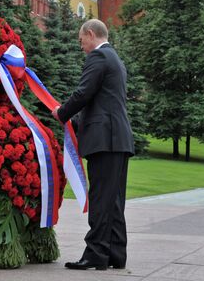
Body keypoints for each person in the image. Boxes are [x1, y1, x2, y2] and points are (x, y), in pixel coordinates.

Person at [52, 19, 134, 270]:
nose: (81, 46)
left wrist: (62, 112)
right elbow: (103, 102)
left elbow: (84, 93)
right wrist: (76, 122)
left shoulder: (98, 58)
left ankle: (96, 254)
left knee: (100, 199)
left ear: (90, 34)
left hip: (105, 141)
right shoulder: (115, 60)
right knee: (114, 200)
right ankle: (116, 255)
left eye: (81, 41)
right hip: (118, 138)